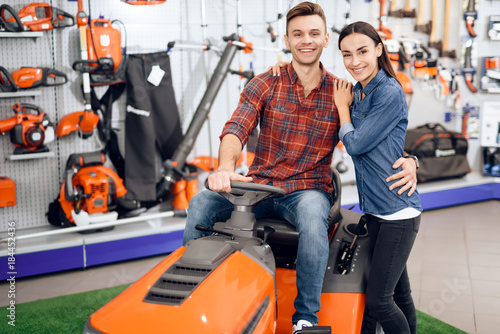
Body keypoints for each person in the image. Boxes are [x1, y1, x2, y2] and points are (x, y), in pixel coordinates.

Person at [183, 3, 417, 333]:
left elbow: (380, 133)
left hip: (307, 189)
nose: (305, 40)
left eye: (313, 33)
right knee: (201, 204)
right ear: (287, 39)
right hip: (259, 185)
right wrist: (224, 167)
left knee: (311, 222)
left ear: (324, 40)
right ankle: (193, 295)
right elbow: (237, 127)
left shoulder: (342, 93)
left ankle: (305, 319)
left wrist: (410, 160)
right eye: (298, 34)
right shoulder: (264, 83)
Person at [333, 21, 422, 334]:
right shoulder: (358, 89)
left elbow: (355, 144)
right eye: (347, 54)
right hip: (376, 211)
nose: (355, 61)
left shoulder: (387, 92)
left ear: (379, 50)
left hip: (397, 211)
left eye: (362, 51)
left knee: (379, 301)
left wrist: (342, 110)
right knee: (399, 292)